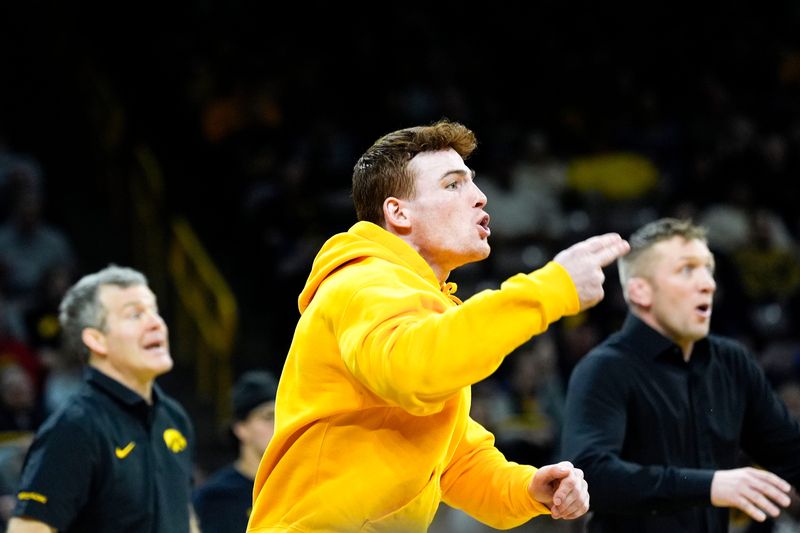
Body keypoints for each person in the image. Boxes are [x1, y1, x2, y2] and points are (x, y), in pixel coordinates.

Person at [247, 119, 630, 532]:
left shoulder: (420, 305)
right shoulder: (362, 283)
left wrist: (528, 489)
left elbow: (457, 460)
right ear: (398, 212)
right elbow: (417, 368)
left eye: (473, 183)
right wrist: (551, 288)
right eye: (453, 185)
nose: (481, 198)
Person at [559, 217, 800, 533]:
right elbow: (591, 476)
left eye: (708, 270)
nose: (708, 284)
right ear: (641, 291)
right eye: (687, 270)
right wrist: (710, 486)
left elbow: (790, 453)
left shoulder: (730, 361)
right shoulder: (605, 367)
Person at [7, 265, 198, 533]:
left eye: (154, 310)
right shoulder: (76, 427)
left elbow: (183, 513)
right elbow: (27, 529)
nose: (156, 323)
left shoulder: (175, 417)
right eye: (135, 315)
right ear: (97, 340)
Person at [193, 369, 278, 533]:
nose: (278, 424)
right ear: (241, 428)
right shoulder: (215, 498)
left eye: (282, 416)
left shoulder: (296, 487)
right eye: (268, 417)